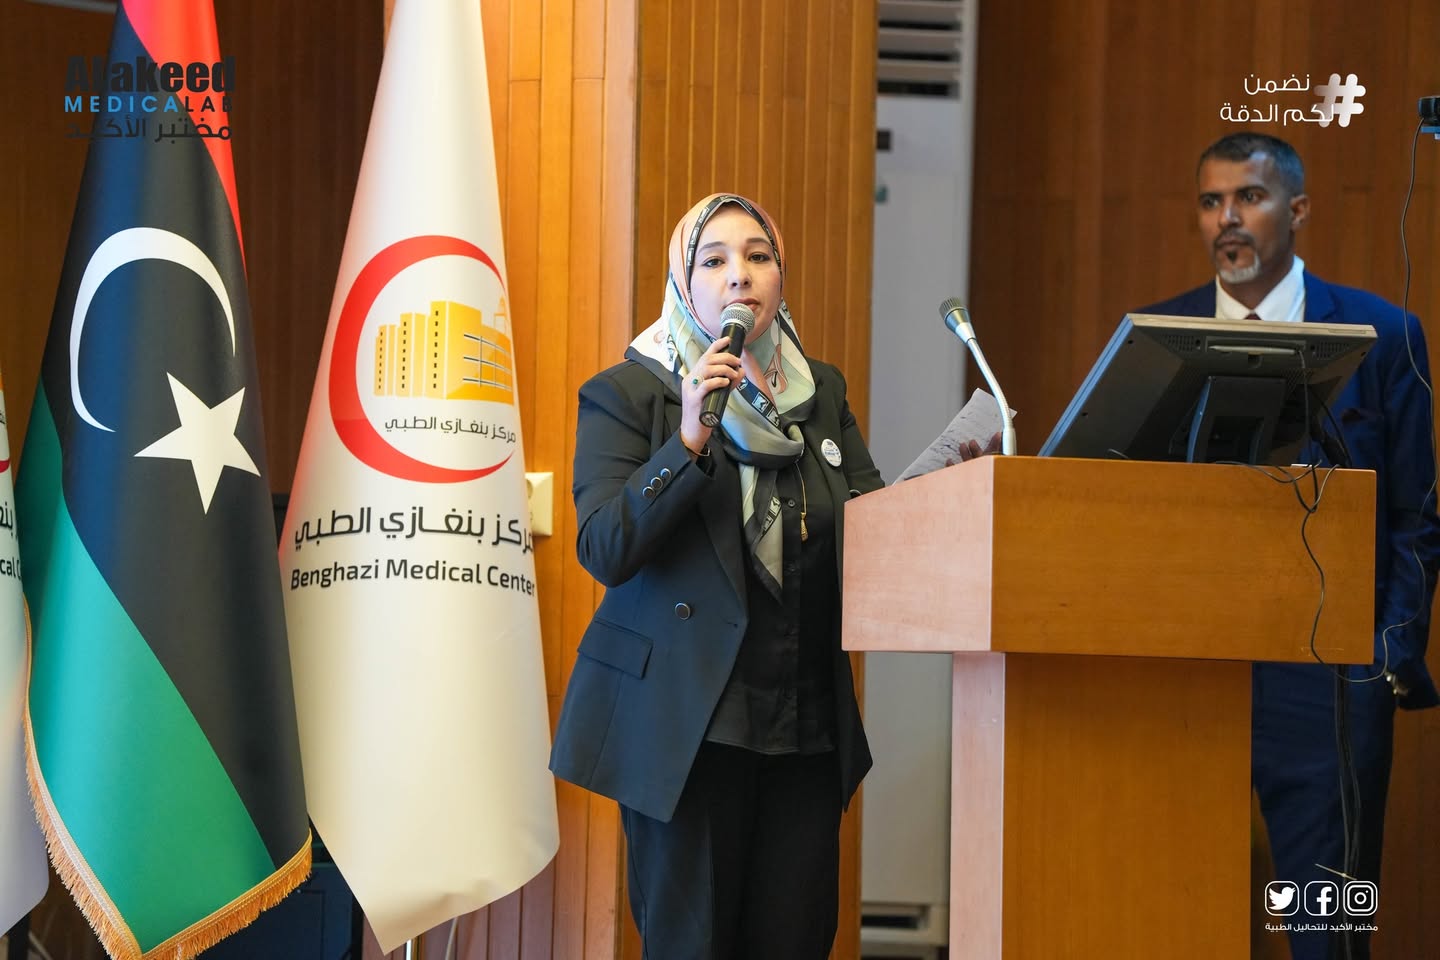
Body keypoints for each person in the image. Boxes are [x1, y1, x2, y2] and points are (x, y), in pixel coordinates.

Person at [549, 193, 885, 958]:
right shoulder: (630, 393)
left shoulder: (819, 393)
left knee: (797, 942)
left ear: (779, 278)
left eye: (759, 257)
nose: (740, 275)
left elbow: (870, 522)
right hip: (687, 731)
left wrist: (947, 491)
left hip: (803, 724)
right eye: (715, 260)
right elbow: (605, 546)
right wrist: (690, 438)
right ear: (684, 283)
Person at [1138, 132, 1440, 960]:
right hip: (1186, 674)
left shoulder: (1383, 334)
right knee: (1168, 915)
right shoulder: (1156, 338)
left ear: (1297, 208)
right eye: (1211, 202)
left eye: (1250, 197)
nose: (1227, 219)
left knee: (1325, 932)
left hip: (1330, 676)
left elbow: (1417, 514)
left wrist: (1385, 654)